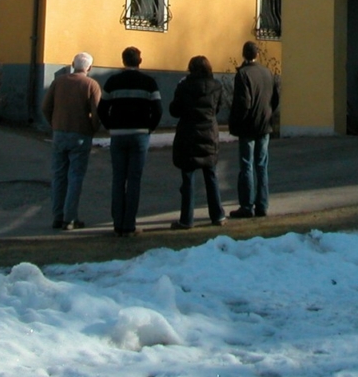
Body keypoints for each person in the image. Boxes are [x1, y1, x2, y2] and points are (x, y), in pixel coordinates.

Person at [97, 46, 161, 238]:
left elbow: (102, 108)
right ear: (139, 61)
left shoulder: (113, 81)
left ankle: (117, 223)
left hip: (118, 134)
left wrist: (110, 126)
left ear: (123, 60)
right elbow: (157, 110)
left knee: (118, 178)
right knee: (134, 179)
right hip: (140, 134)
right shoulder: (149, 82)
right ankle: (129, 224)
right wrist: (149, 127)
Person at [41, 52, 101, 230]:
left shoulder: (58, 81)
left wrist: (54, 123)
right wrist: (92, 128)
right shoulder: (91, 84)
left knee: (59, 175)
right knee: (75, 176)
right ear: (89, 68)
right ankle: (70, 217)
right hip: (81, 134)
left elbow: (45, 107)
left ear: (72, 64)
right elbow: (97, 112)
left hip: (60, 132)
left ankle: (57, 216)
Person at [168, 55, 225, 229]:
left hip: (188, 134)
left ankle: (187, 219)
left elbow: (174, 110)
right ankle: (218, 215)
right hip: (209, 134)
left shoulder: (184, 86)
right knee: (211, 175)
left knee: (188, 178)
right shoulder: (216, 86)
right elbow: (218, 108)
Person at [229, 41, 280, 218]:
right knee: (261, 165)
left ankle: (246, 205)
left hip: (248, 126)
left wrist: (236, 122)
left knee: (246, 165)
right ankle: (262, 205)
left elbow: (244, 103)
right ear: (257, 54)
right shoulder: (267, 73)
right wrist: (269, 114)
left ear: (243, 54)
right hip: (264, 124)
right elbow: (275, 99)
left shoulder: (243, 74)